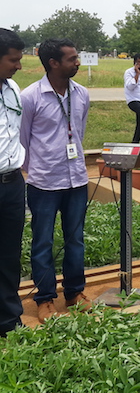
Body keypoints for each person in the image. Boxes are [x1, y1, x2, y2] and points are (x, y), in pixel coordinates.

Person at [21, 39, 91, 323]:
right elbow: (23, 140)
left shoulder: (82, 93)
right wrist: (37, 168)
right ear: (53, 63)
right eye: (72, 59)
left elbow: (80, 131)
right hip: (43, 183)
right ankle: (45, 298)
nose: (78, 62)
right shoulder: (31, 97)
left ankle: (74, 293)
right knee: (43, 241)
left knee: (75, 240)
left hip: (77, 181)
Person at [0, 28, 25, 336]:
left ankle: (9, 320)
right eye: (13, 60)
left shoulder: (13, 89)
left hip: (12, 183)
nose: (18, 66)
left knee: (8, 254)